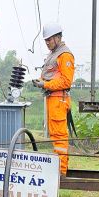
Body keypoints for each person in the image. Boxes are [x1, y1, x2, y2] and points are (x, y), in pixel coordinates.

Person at [32, 23, 75, 175]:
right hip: (53, 100)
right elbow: (52, 76)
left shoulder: (65, 55)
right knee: (55, 137)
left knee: (60, 137)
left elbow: (66, 81)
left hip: (58, 100)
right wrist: (41, 82)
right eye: (46, 40)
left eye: (49, 40)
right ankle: (59, 169)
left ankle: (61, 172)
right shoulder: (54, 54)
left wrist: (46, 84)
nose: (47, 43)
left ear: (57, 37)